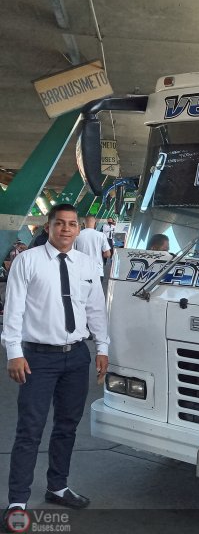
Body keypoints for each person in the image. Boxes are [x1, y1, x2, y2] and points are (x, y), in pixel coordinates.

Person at [1, 204, 109, 529]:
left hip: (76, 356)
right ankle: (17, 500)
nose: (65, 229)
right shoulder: (27, 261)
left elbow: (96, 310)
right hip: (37, 358)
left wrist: (102, 347)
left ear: (78, 229)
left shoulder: (88, 264)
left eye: (71, 224)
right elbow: (14, 309)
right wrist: (13, 353)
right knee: (30, 430)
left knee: (66, 427)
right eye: (59, 223)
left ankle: (57, 487)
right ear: (48, 227)